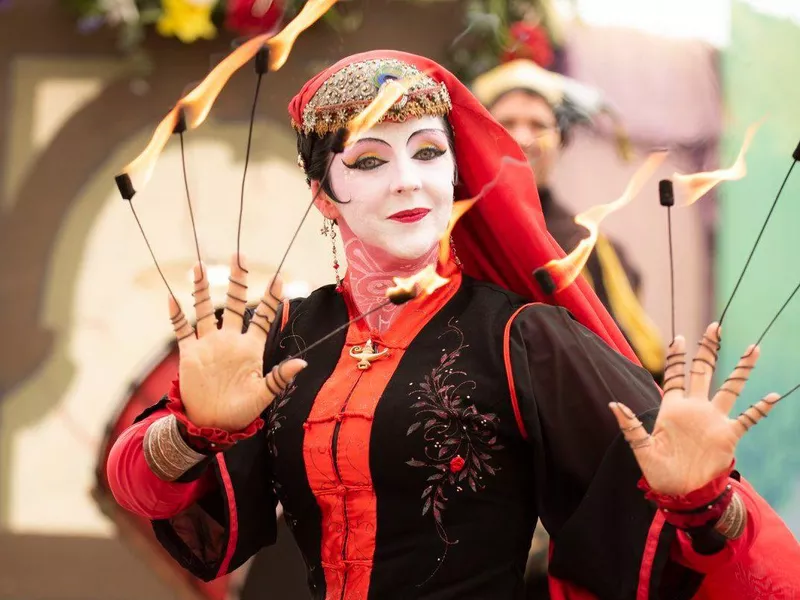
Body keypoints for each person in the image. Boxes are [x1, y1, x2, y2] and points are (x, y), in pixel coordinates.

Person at [107, 50, 800, 599]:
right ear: (323, 195)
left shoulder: (523, 338)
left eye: (428, 152)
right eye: (372, 160)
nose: (408, 179)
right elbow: (141, 489)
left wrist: (708, 508)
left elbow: (684, 544)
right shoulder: (284, 333)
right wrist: (192, 433)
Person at [472, 59, 665, 381]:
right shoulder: (448, 234)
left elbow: (626, 368)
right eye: (506, 122)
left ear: (560, 140)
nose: (523, 137)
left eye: (538, 125)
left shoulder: (588, 247)